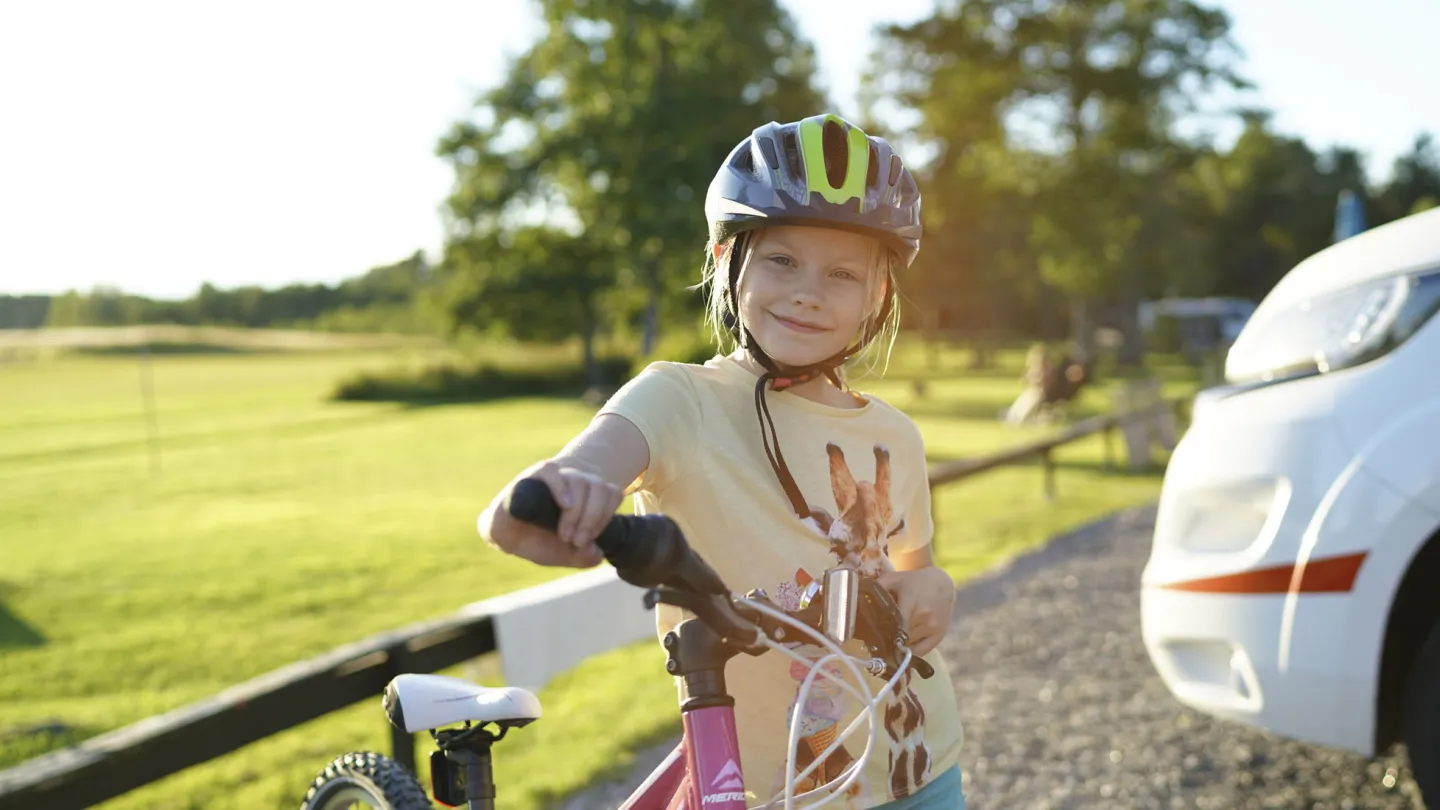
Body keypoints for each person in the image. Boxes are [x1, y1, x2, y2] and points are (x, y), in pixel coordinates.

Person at [478, 113, 965, 809]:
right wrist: (566, 487)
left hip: (919, 765)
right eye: (781, 260)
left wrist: (935, 587)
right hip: (764, 783)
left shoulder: (897, 437)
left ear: (878, 296)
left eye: (842, 273)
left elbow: (907, 578)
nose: (807, 290)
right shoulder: (680, 400)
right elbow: (591, 460)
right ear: (724, 259)